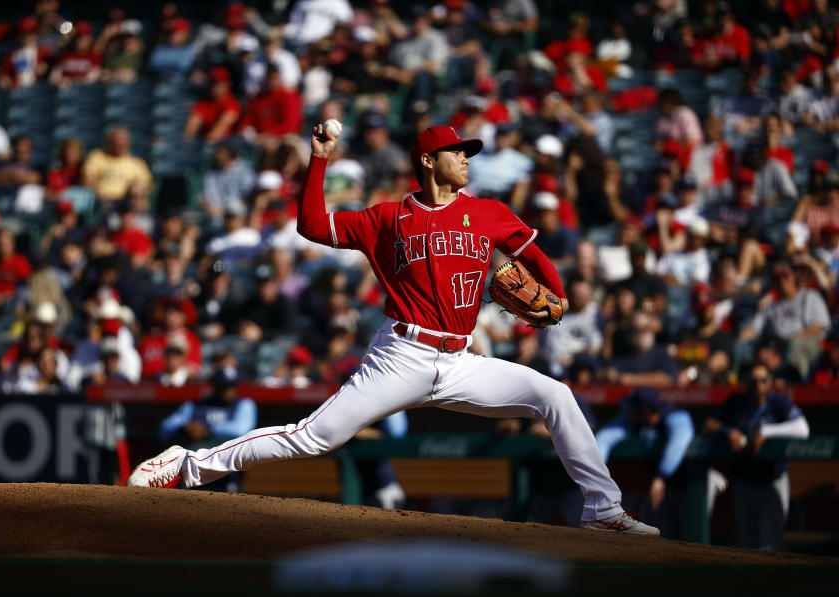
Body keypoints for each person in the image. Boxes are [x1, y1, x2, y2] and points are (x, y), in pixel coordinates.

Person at [127, 122, 660, 536]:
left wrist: (557, 290)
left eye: (469, 153)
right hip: (400, 355)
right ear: (429, 161)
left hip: (459, 361)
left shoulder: (489, 213)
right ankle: (188, 465)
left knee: (555, 396)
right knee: (314, 438)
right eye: (457, 152)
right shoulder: (387, 217)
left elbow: (532, 253)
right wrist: (318, 161)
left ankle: (602, 508)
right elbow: (312, 225)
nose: (466, 160)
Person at [703, 361, 810, 550]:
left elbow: (803, 429)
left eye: (763, 380)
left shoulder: (777, 401)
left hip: (772, 482)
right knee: (747, 546)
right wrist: (728, 431)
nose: (758, 385)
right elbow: (709, 424)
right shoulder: (736, 401)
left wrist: (767, 431)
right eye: (753, 380)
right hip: (744, 483)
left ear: (769, 382)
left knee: (769, 547)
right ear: (746, 382)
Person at [594, 387, 695, 539]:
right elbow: (605, 437)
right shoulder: (634, 420)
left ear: (646, 412)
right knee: (666, 537)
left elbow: (681, 440)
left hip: (693, 485)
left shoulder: (676, 415)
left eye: (632, 410)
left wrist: (661, 476)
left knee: (692, 536)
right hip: (663, 487)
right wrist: (596, 478)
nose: (628, 412)